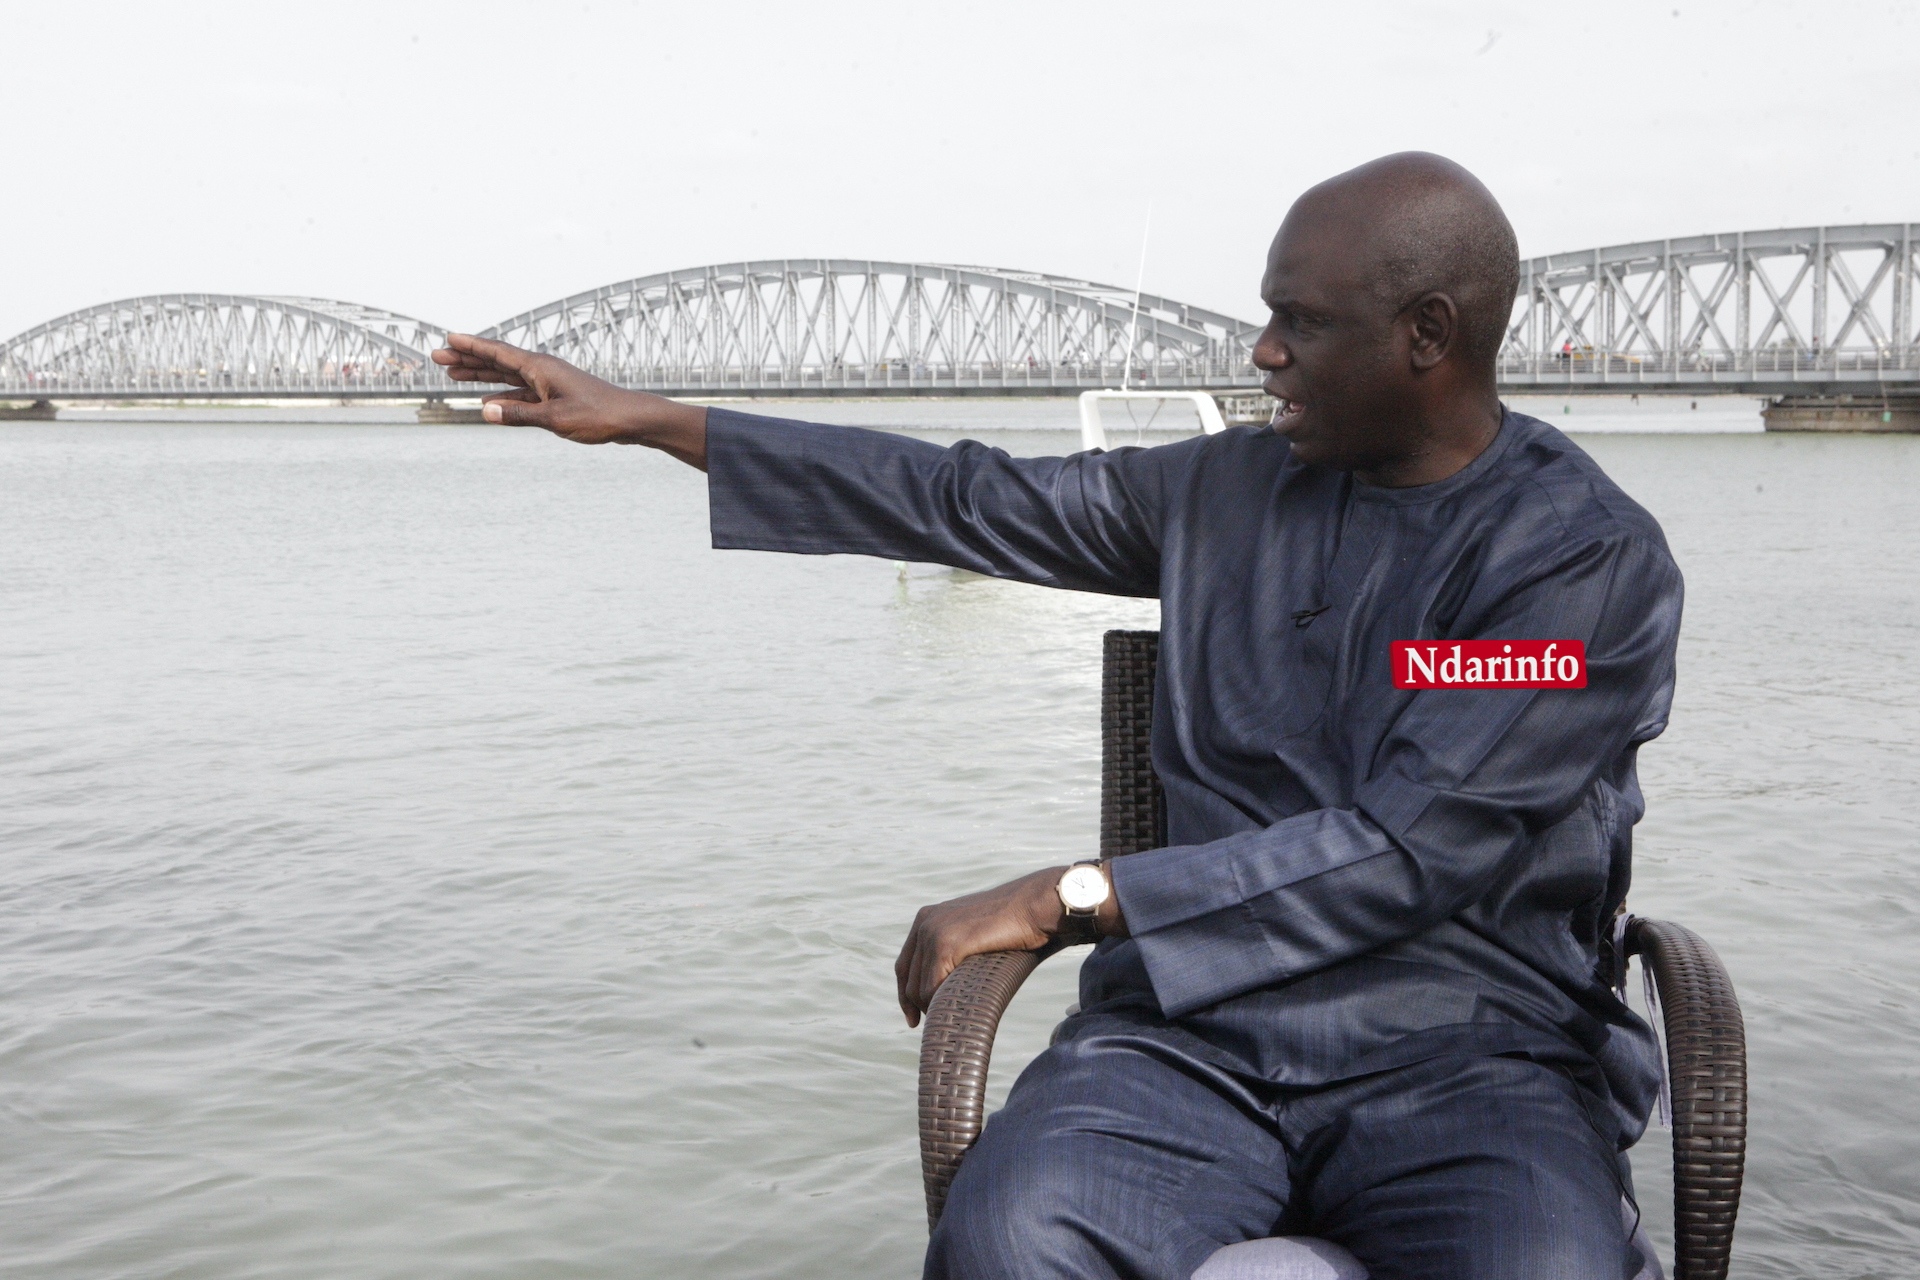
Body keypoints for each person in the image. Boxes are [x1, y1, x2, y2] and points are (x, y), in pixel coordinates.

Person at [432, 152, 1678, 1280]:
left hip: (1467, 1052)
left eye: (1300, 321)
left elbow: (1408, 846)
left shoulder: (1577, 564)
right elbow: (961, 497)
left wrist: (1067, 897)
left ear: (1428, 335)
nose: (1261, 352)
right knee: (1010, 1238)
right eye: (1266, 314)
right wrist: (658, 421)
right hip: (1193, 1041)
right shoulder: (1222, 491)